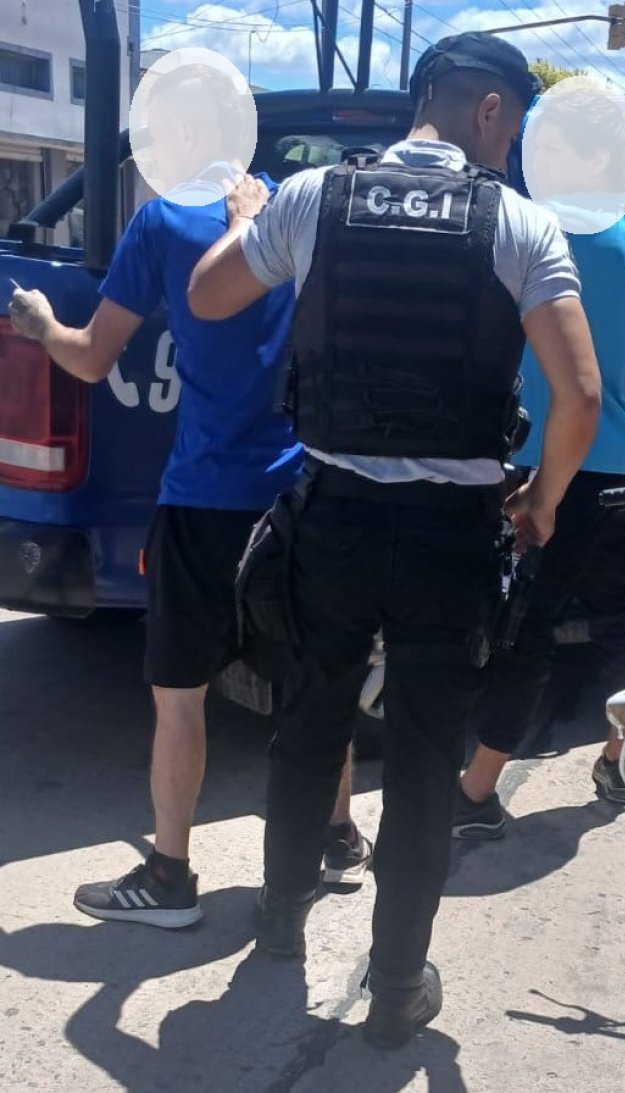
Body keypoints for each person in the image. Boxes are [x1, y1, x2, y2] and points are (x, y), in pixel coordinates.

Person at [188, 31, 600, 1047]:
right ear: (490, 110)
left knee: (309, 724)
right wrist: (542, 500)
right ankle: (398, 985)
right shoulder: (517, 224)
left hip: (328, 520)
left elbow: (207, 295)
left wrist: (245, 219)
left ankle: (280, 924)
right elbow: (581, 394)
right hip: (447, 543)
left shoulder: (314, 197)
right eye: (516, 127)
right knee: (420, 762)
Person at [8, 65, 371, 930]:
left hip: (203, 495)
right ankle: (339, 836)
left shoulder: (163, 221)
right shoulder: (296, 208)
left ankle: (169, 877)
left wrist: (37, 324)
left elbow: (93, 357)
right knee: (313, 675)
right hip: (298, 492)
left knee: (180, 693)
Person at [453, 84, 625, 839]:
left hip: (552, 457)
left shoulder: (545, 229)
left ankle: (476, 793)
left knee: (529, 622)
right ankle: (618, 757)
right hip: (624, 455)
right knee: (616, 614)